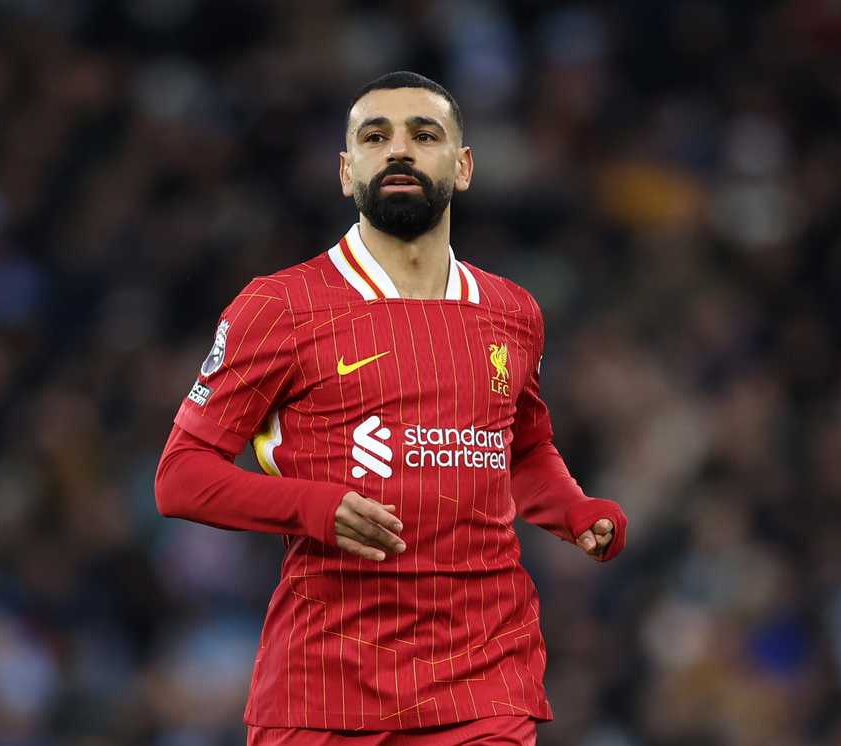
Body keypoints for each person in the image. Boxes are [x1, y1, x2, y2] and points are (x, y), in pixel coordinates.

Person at [155, 71, 628, 746]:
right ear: (347, 172)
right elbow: (180, 478)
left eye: (423, 134)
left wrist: (576, 512)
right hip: (326, 687)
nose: (398, 150)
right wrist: (313, 507)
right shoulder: (279, 308)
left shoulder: (513, 312)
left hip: (482, 679)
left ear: (462, 167)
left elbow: (520, 448)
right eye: (375, 137)